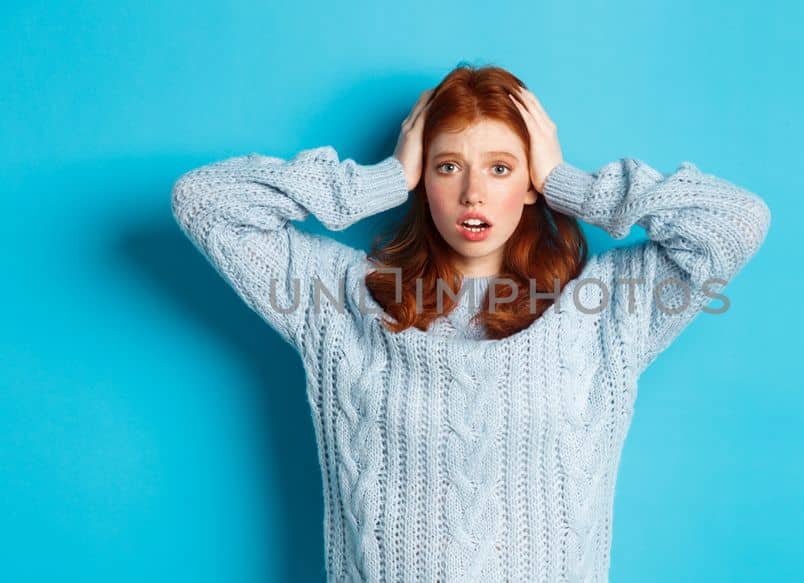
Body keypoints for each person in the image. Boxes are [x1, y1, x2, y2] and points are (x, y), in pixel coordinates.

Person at [172, 63, 771, 582]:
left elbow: (736, 221)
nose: (473, 194)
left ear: (532, 184)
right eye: (449, 167)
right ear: (423, 180)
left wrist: (572, 184)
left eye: (503, 168)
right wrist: (381, 179)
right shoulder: (338, 298)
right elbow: (204, 201)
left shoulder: (605, 310)